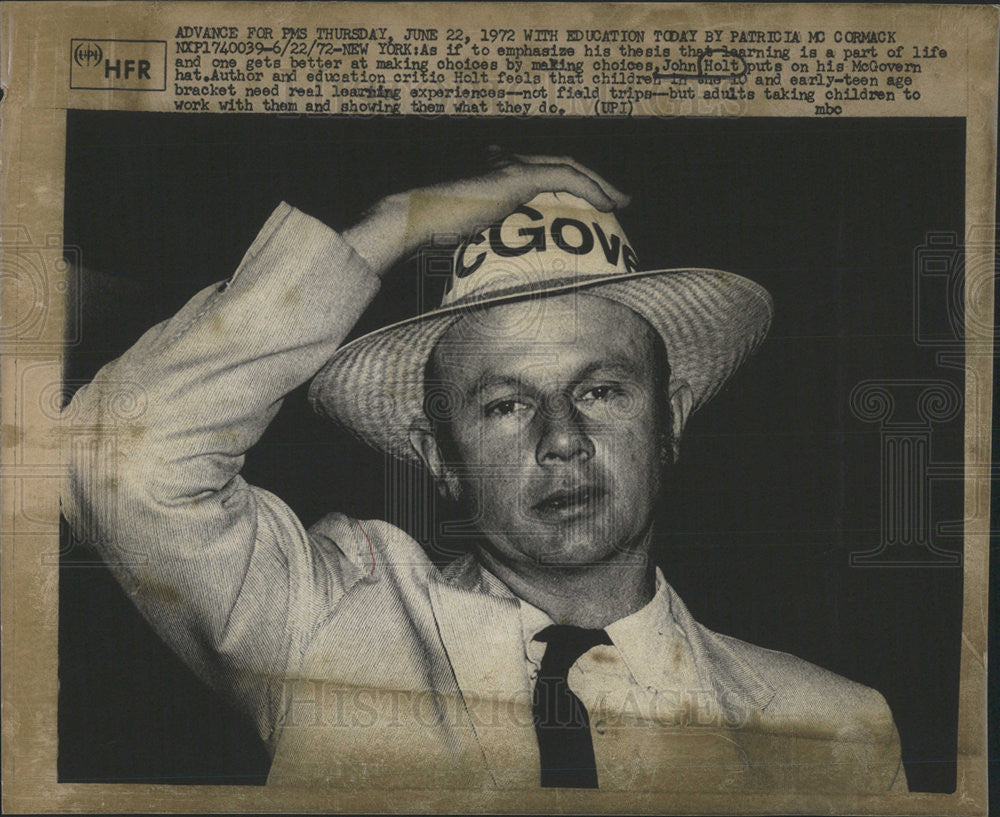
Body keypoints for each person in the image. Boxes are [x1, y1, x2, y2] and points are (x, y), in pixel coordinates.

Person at [64, 153, 906, 793]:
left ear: (670, 418)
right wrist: (393, 224)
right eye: (506, 404)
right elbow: (116, 454)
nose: (564, 439)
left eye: (602, 389)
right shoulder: (329, 622)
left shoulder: (833, 731)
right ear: (440, 457)